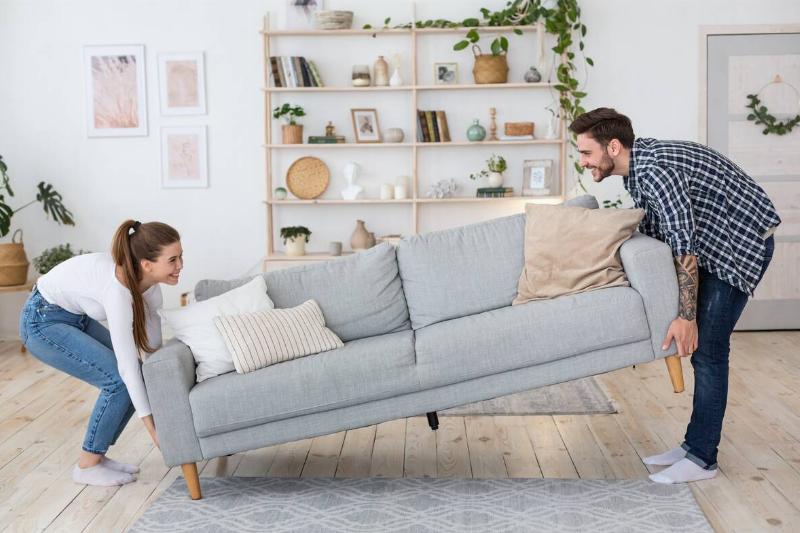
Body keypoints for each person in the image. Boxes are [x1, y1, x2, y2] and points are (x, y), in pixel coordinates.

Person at [569, 108, 780, 484]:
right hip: (715, 241)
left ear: (613, 147)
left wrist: (686, 317)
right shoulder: (636, 171)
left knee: (709, 350)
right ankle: (692, 446)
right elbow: (659, 230)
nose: (583, 162)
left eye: (586, 152)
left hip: (740, 244)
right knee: (705, 351)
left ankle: (702, 459)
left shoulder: (656, 171)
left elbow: (684, 246)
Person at [19, 220, 183, 486]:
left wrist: (164, 401)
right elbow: (127, 368)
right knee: (119, 381)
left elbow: (151, 353)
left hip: (74, 317)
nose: (180, 265)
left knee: (135, 377)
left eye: (180, 257)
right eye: (172, 260)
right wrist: (154, 431)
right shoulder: (117, 290)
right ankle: (87, 466)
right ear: (147, 264)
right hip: (41, 320)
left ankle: (98, 456)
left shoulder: (151, 287)